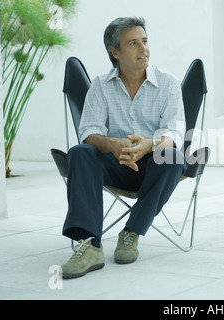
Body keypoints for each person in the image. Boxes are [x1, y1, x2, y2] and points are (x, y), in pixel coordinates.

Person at [60, 17, 186, 279]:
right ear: (114, 51)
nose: (144, 49)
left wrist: (148, 144)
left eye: (145, 41)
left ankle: (132, 232)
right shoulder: (100, 85)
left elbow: (174, 132)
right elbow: (89, 131)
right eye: (133, 43)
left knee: (172, 156)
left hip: (152, 166)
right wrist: (112, 145)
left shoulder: (168, 83)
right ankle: (90, 244)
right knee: (80, 152)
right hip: (114, 164)